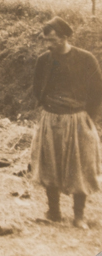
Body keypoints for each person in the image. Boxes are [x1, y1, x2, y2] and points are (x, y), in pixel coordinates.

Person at [31, 16, 102, 229]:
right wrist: (48, 107)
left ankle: (78, 216)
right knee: (49, 164)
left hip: (77, 118)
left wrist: (88, 116)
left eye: (52, 40)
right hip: (50, 118)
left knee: (79, 166)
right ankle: (53, 212)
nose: (48, 44)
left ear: (64, 37)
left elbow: (97, 90)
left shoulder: (85, 59)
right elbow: (37, 88)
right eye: (45, 40)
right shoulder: (44, 60)